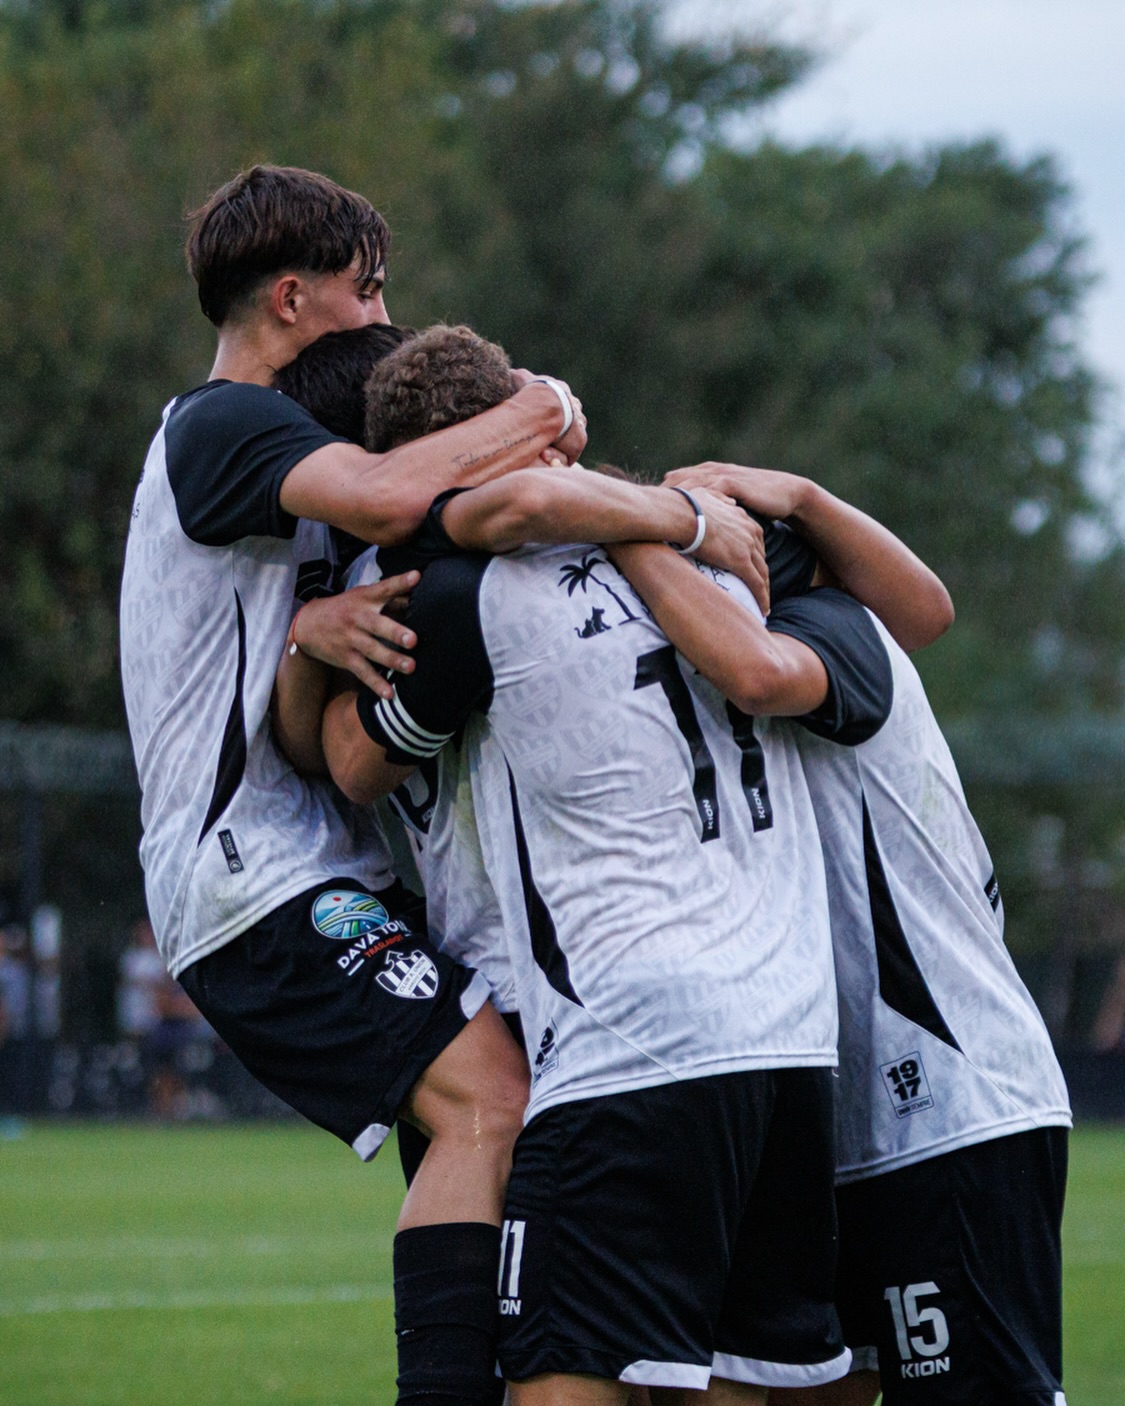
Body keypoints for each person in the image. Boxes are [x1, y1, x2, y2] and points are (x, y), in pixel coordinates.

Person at [118, 165, 764, 1406]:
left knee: (506, 1120)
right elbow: (400, 494)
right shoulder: (216, 424)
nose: (384, 314)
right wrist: (550, 411)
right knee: (490, 1095)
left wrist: (309, 635)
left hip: (321, 863)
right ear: (293, 298)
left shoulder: (297, 446)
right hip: (249, 873)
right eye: (369, 290)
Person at [282, 322, 953, 1405]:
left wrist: (306, 636)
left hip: (619, 1041)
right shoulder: (722, 557)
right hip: (789, 1041)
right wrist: (695, 509)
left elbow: (347, 764)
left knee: (558, 1372)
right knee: (745, 1377)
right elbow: (920, 610)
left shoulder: (456, 591)